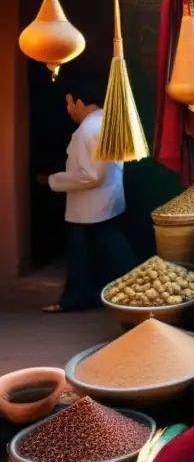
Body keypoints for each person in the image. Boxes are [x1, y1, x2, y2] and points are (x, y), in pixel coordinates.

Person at [43, 83, 136, 312]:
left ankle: (77, 300)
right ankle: (123, 292)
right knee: (103, 251)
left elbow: (89, 175)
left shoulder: (87, 129)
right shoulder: (109, 122)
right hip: (108, 200)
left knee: (84, 256)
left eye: (69, 104)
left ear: (80, 102)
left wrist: (53, 181)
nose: (69, 110)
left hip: (90, 205)